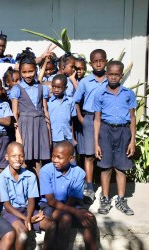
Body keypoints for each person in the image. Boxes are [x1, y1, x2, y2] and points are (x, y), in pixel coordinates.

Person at [93, 61, 136, 216]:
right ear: (106, 74)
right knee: (105, 167)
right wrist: (96, 143)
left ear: (121, 75)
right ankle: (105, 198)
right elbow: (97, 119)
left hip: (123, 132)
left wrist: (132, 140)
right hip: (105, 130)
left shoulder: (128, 94)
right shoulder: (100, 95)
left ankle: (121, 199)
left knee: (121, 167)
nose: (113, 77)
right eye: (110, 74)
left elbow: (132, 117)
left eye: (116, 75)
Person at [39, 141, 98, 250]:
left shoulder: (79, 173)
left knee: (90, 218)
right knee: (65, 219)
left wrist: (68, 210)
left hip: (70, 204)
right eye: (53, 156)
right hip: (49, 206)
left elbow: (72, 198)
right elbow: (51, 201)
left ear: (71, 159)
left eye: (59, 157)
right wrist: (74, 212)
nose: (54, 160)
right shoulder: (45, 171)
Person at [0, 142, 56, 250]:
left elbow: (31, 200)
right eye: (14, 156)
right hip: (10, 212)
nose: (18, 159)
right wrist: (26, 219)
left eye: (21, 156)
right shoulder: (2, 177)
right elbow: (6, 205)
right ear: (7, 157)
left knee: (51, 225)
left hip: (27, 210)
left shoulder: (30, 175)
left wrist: (29, 216)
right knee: (22, 232)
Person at [73, 49, 108, 204]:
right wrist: (81, 118)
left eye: (101, 60)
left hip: (106, 120)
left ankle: (105, 190)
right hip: (89, 117)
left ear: (106, 61)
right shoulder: (85, 82)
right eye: (95, 61)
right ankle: (89, 188)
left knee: (105, 154)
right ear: (90, 63)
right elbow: (76, 101)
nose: (98, 64)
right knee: (89, 155)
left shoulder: (112, 79)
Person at [10, 49, 50, 175]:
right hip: (24, 125)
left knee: (39, 159)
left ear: (35, 70)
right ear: (20, 73)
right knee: (25, 157)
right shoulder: (17, 89)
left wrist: (48, 128)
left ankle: (39, 190)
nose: (28, 75)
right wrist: (17, 132)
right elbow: (15, 113)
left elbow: (45, 109)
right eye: (24, 72)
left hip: (40, 124)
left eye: (31, 71)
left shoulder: (42, 88)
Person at [47, 74, 77, 147]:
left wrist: (72, 137)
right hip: (54, 137)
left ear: (65, 88)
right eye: (53, 87)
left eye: (59, 87)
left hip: (68, 136)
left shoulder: (70, 101)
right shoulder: (48, 102)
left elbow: (71, 121)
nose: (56, 90)